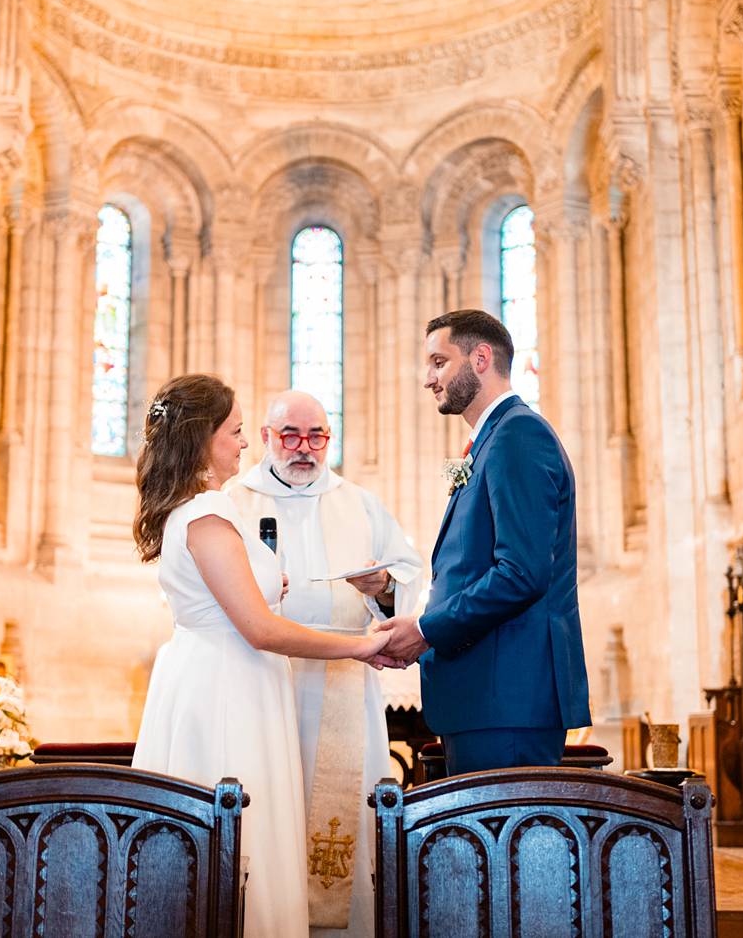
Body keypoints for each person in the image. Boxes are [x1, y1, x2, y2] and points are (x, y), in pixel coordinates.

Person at [130, 374, 391, 938]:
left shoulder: (202, 511)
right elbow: (259, 629)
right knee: (242, 843)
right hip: (231, 692)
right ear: (204, 438)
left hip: (224, 679)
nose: (244, 443)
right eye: (237, 430)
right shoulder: (208, 515)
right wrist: (362, 645)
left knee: (233, 843)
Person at [226, 390, 426, 937]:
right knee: (266, 802)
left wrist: (382, 587)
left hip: (343, 677)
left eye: (317, 436)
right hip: (262, 676)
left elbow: (409, 579)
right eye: (290, 435)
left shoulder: (357, 502)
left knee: (339, 821)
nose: (304, 449)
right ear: (265, 437)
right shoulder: (234, 501)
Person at [374, 309, 590, 775]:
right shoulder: (493, 438)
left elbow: (522, 573)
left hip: (508, 698)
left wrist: (427, 630)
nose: (426, 378)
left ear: (480, 358)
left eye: (438, 362)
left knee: (506, 844)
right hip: (485, 696)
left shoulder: (518, 435)